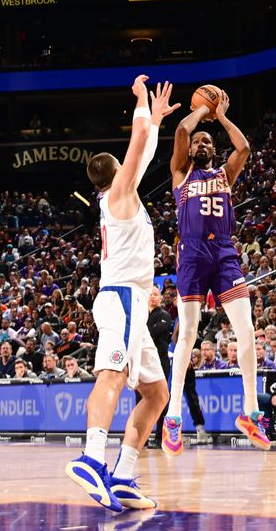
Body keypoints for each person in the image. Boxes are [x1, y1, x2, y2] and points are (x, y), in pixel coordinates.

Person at [65, 76, 178, 513]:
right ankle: (92, 458)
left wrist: (155, 118)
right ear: (116, 172)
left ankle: (125, 474)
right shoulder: (119, 194)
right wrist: (140, 103)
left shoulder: (118, 194)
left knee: (157, 393)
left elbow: (143, 150)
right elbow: (138, 145)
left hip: (127, 299)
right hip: (123, 298)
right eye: (125, 164)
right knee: (111, 376)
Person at [164, 88, 270, 456]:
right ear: (192, 150)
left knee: (247, 330)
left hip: (224, 251)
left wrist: (221, 117)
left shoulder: (226, 174)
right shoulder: (180, 173)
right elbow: (180, 130)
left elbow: (244, 149)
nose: (204, 144)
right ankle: (173, 415)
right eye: (199, 142)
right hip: (192, 253)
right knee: (189, 333)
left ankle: (251, 412)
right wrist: (200, 114)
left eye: (209, 142)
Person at [136, 286, 173, 447]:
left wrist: (141, 333)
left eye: (156, 294)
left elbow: (150, 334)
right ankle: (140, 437)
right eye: (150, 294)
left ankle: (160, 436)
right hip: (142, 360)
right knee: (140, 399)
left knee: (160, 397)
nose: (152, 297)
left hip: (160, 360)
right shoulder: (141, 316)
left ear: (160, 298)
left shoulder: (165, 315)